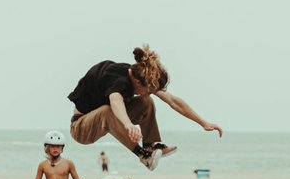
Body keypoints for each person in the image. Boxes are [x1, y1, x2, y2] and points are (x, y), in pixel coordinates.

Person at [68, 45, 222, 171]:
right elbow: (115, 101)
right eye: (148, 90)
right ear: (137, 81)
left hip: (105, 120)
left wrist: (203, 123)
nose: (148, 93)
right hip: (81, 128)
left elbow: (173, 101)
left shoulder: (139, 75)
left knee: (146, 102)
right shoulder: (116, 79)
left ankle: (151, 147)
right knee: (107, 111)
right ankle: (143, 155)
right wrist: (128, 124)